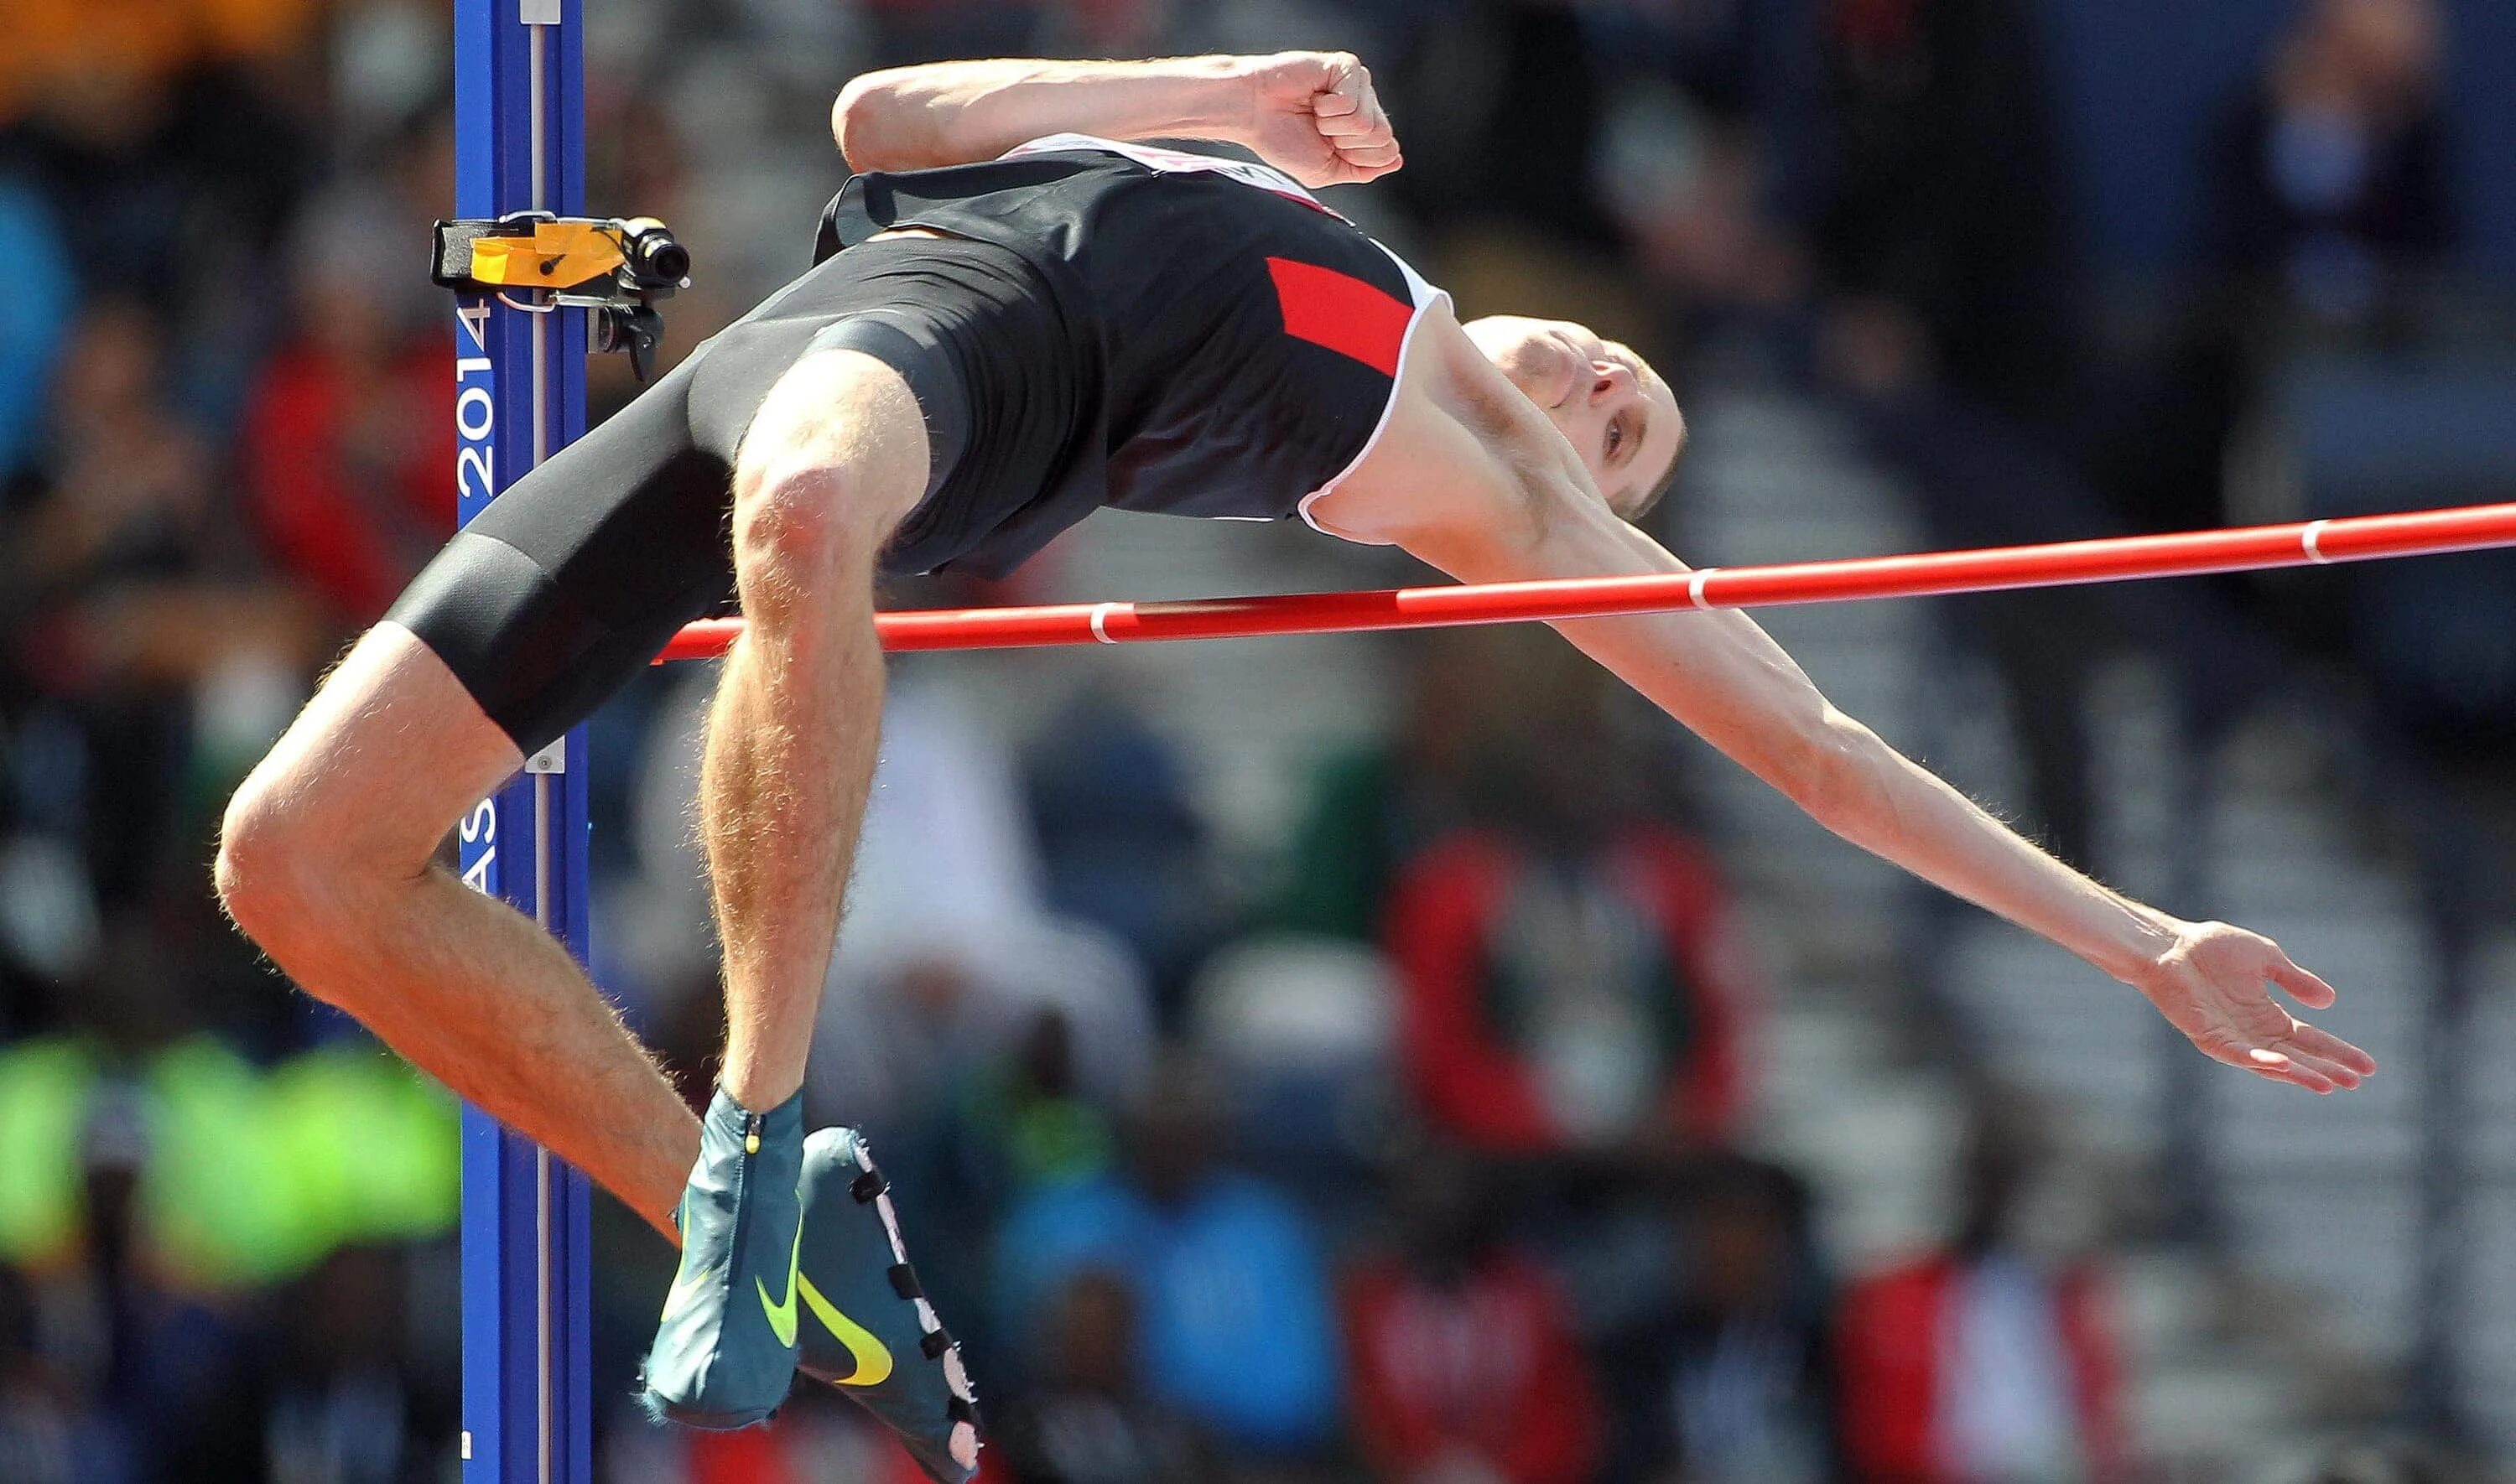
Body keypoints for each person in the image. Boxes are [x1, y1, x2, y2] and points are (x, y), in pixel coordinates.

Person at [211, 48, 2378, 1484]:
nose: (1611, 387)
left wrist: (2140, 938)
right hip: (820, 317)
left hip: (918, 404)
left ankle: (766, 1142)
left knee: (800, 529)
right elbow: (890, 108)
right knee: (296, 861)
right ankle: (752, 1224)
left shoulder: (1496, 489)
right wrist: (1211, 88)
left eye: (1636, 434)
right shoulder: (1275, 182)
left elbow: (1818, 755)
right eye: (1615, 376)